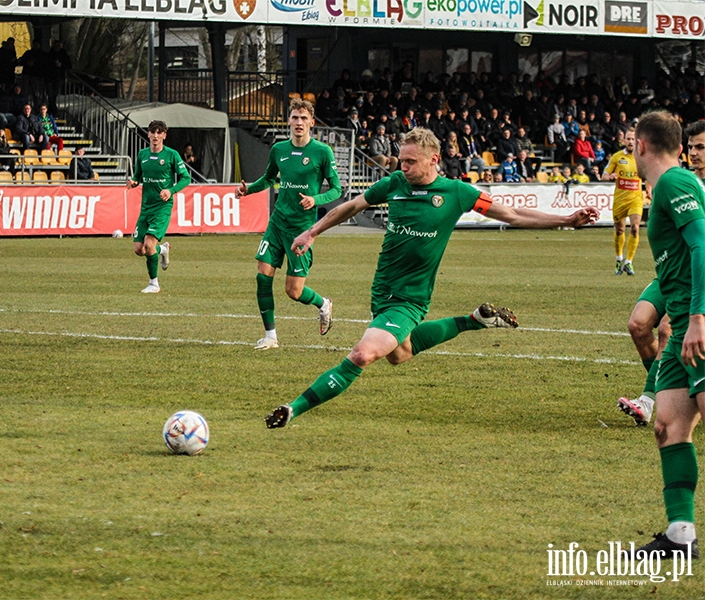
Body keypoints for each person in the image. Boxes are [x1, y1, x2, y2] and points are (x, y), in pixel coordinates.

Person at [262, 127, 599, 429]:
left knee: (362, 355)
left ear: (433, 159)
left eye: (410, 161)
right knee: (400, 354)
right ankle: (474, 321)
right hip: (382, 293)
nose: (402, 167)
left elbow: (513, 214)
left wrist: (567, 219)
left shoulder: (456, 192)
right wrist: (313, 232)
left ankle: (293, 409)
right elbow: (351, 207)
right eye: (400, 160)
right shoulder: (394, 183)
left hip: (410, 298)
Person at [627, 111, 704, 559]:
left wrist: (698, 318)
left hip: (698, 323)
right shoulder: (670, 186)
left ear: (640, 145)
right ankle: (680, 535)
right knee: (668, 426)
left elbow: (701, 246)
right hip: (679, 327)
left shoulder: (675, 183)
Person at [234, 99, 341, 349]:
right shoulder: (278, 149)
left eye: (304, 118)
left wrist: (316, 199)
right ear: (289, 121)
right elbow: (268, 179)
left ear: (312, 123)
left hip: (302, 229)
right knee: (262, 276)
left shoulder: (322, 152)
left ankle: (323, 304)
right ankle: (270, 336)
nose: (299, 122)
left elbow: (336, 189)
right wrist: (248, 189)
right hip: (277, 223)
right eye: (294, 117)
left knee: (293, 291)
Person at [126, 120, 190, 294]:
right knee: (139, 249)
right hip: (145, 207)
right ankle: (163, 250)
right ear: (148, 134)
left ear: (164, 135)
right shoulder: (142, 155)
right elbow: (138, 175)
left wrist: (171, 190)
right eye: (152, 132)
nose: (155, 136)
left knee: (148, 244)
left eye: (159, 132)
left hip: (162, 207)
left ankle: (154, 284)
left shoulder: (172, 155)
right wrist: (133, 182)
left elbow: (186, 178)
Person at [603, 129, 644, 276]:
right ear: (624, 141)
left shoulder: (642, 157)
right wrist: (609, 176)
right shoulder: (617, 157)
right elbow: (604, 174)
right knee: (620, 230)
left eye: (633, 139)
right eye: (628, 139)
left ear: (637, 141)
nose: (631, 141)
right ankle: (619, 258)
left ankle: (629, 262)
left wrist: (650, 189)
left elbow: (648, 175)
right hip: (620, 199)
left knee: (634, 228)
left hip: (636, 199)